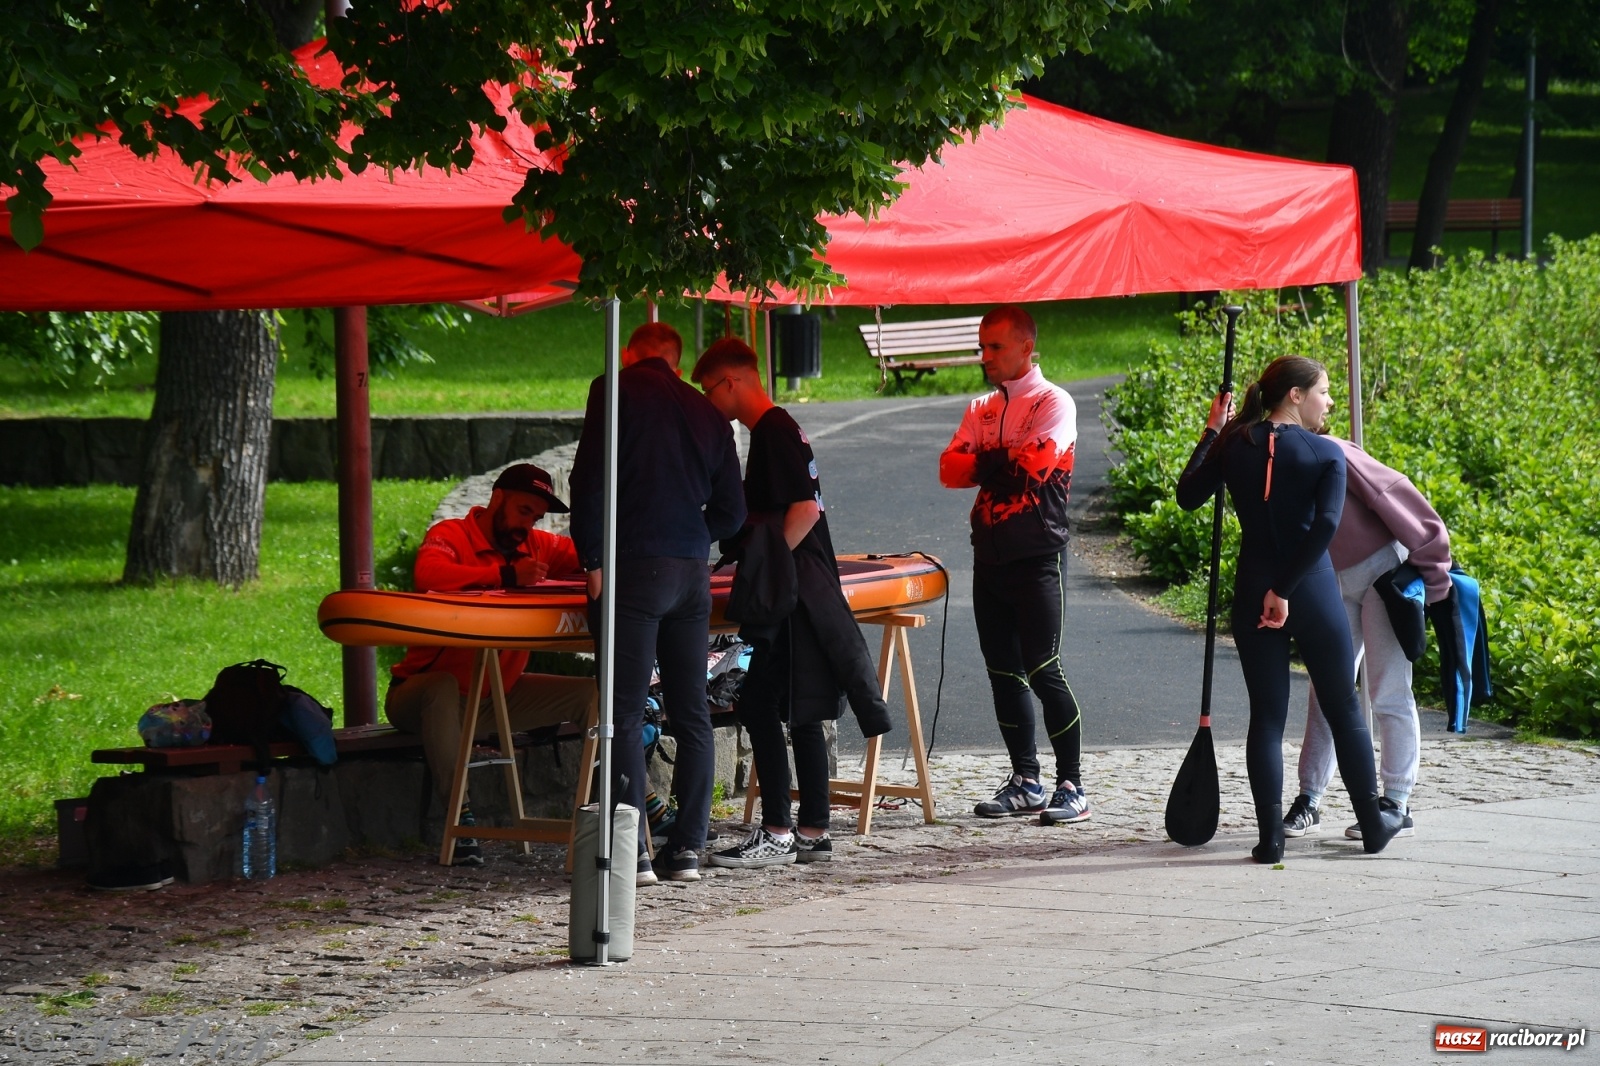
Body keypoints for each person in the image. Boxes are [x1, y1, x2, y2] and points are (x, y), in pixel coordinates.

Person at [1174, 355, 1406, 861]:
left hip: (1253, 587)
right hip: (1311, 587)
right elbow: (1324, 526)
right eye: (1323, 391)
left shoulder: (1235, 443)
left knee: (1267, 717)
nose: (1329, 401)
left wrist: (1212, 430)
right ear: (1295, 396)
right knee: (1343, 707)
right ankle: (1373, 825)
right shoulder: (1326, 452)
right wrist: (1285, 590)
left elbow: (1188, 495)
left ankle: (1270, 839)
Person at [689, 338, 893, 870]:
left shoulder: (773, 431)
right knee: (801, 708)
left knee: (761, 703)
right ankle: (812, 831)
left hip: (792, 593)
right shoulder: (779, 428)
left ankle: (780, 830)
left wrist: (768, 565)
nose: (707, 401)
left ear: (731, 382)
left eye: (708, 390)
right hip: (802, 588)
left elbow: (804, 510)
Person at [569, 322, 746, 885]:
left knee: (623, 714)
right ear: (678, 361)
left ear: (629, 353)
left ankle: (633, 853)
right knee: (691, 711)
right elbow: (733, 512)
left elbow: (588, 479)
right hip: (690, 573)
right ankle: (687, 848)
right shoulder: (706, 411)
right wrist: (692, 535)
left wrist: (592, 559)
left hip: (632, 565)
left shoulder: (612, 389)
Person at [386, 464, 597, 867]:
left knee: (593, 695)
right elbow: (428, 574)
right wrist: (505, 575)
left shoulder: (537, 545)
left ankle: (640, 803)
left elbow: (590, 554)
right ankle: (460, 819)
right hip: (419, 698)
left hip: (496, 698)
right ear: (496, 498)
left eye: (536, 517)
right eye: (523, 511)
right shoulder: (450, 534)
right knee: (442, 685)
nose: (528, 524)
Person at [938, 305, 1090, 826]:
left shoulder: (1055, 401)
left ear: (1026, 347)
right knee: (1003, 672)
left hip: (1038, 556)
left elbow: (1034, 469)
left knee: (1043, 668)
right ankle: (1026, 781)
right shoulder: (980, 406)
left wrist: (986, 461)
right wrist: (1005, 456)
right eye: (981, 346)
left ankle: (1072, 785)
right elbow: (948, 470)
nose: (985, 356)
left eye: (995, 347)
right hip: (990, 557)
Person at [1283, 438, 1451, 841]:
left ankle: (1396, 802)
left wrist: (1436, 578)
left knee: (1388, 687)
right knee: (1326, 689)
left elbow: (1397, 495)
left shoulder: (1331, 450)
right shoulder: (1273, 458)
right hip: (1330, 581)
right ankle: (1309, 798)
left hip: (1383, 575)